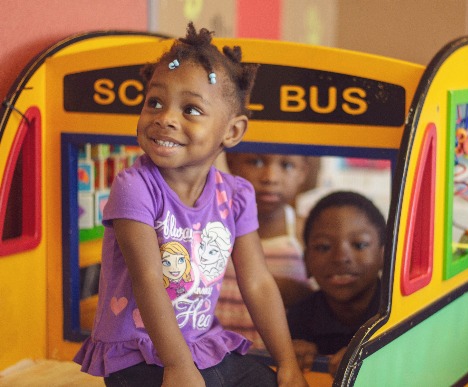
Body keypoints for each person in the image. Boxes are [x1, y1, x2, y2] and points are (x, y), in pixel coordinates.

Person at [74, 23, 307, 387]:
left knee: (262, 381)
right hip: (137, 351)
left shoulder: (236, 195)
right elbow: (148, 279)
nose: (165, 117)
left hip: (198, 343)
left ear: (231, 132)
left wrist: (287, 361)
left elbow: (258, 282)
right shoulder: (134, 187)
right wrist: (178, 366)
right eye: (154, 102)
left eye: (191, 109)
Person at [216, 152, 314, 350]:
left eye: (287, 165)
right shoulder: (213, 226)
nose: (270, 177)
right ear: (231, 163)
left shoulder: (303, 232)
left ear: (303, 172)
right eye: (256, 161)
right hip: (213, 357)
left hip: (274, 361)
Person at [287, 191, 386, 377]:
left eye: (360, 245)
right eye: (324, 247)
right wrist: (290, 354)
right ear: (306, 260)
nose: (341, 258)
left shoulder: (397, 317)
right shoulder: (299, 317)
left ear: (384, 256)